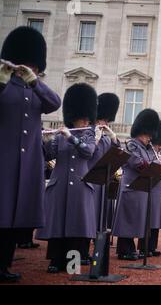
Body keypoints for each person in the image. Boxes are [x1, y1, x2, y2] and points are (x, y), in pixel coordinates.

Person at [0, 26, 61, 282]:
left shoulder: (35, 89)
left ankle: (3, 265)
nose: (30, 69)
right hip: (4, 163)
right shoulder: (4, 85)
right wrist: (2, 80)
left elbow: (54, 103)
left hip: (26, 166)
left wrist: (35, 82)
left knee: (14, 219)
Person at [36, 83, 97, 273]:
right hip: (59, 184)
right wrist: (44, 141)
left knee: (77, 226)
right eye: (83, 118)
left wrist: (71, 137)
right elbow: (48, 156)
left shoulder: (88, 134)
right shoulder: (60, 134)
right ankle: (56, 260)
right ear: (74, 117)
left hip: (79, 185)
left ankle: (73, 263)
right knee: (58, 224)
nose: (87, 121)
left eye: (88, 118)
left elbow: (88, 152)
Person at [112, 109, 160, 260]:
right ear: (141, 132)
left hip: (139, 188)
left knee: (135, 220)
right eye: (148, 135)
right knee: (128, 219)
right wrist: (154, 165)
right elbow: (136, 163)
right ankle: (124, 250)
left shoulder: (144, 148)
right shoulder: (132, 145)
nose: (149, 139)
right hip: (130, 187)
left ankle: (129, 249)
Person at [137, 121, 161, 257]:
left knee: (155, 220)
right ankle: (144, 247)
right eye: (157, 145)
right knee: (148, 219)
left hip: (159, 190)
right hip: (150, 188)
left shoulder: (160, 154)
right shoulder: (149, 153)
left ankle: (152, 246)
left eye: (160, 145)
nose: (159, 147)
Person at [89, 93, 120, 233]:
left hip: (101, 182)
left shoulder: (107, 139)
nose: (106, 124)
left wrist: (114, 138)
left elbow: (117, 155)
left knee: (99, 218)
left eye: (108, 121)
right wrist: (95, 138)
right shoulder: (88, 134)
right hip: (88, 180)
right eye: (104, 121)